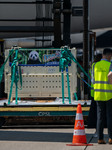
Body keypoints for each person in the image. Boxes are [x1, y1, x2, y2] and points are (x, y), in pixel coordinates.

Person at [92, 48, 112, 144]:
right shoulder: (110, 65)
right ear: (108, 55)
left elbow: (93, 80)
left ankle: (100, 138)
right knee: (110, 116)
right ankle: (111, 138)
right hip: (109, 94)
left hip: (98, 94)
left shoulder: (95, 65)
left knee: (100, 117)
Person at [87, 54, 102, 129]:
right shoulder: (99, 66)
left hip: (94, 90)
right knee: (100, 110)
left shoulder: (93, 66)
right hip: (100, 91)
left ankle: (91, 123)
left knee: (93, 109)